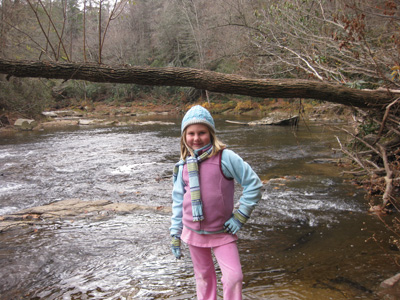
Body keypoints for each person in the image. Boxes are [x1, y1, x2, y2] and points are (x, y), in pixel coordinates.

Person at [170, 105, 263, 300]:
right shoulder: (182, 164)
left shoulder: (226, 158)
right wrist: (175, 233)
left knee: (234, 277)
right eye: (191, 133)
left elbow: (253, 184)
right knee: (203, 277)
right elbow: (178, 201)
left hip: (223, 232)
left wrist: (239, 217)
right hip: (193, 231)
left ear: (211, 133)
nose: (196, 138)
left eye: (202, 132)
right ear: (184, 136)